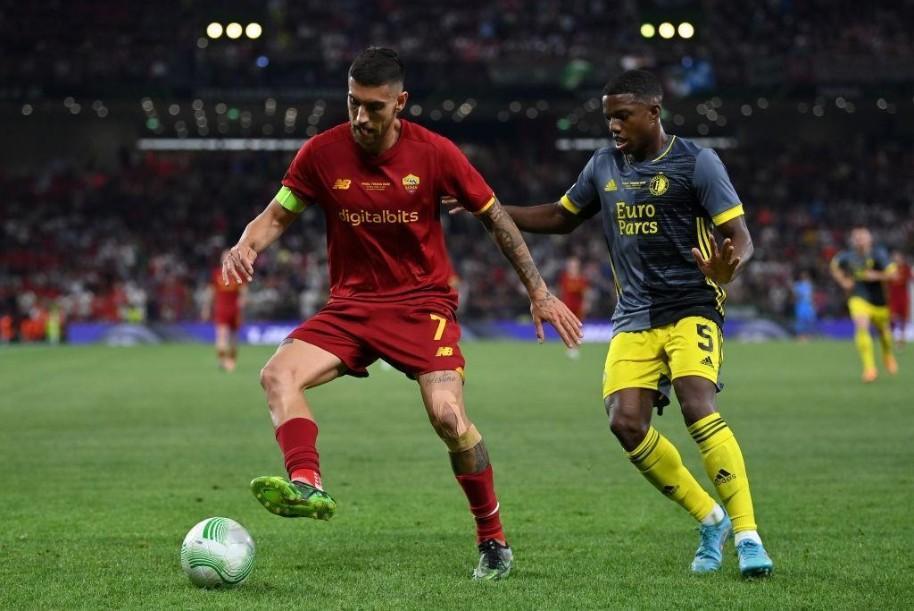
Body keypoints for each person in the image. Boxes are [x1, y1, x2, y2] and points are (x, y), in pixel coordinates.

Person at [222, 47, 582, 581]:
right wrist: (247, 244)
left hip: (422, 306)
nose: (361, 118)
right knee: (277, 374)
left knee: (448, 418)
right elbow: (278, 214)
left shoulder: (436, 154)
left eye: (373, 107)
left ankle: (493, 541)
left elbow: (497, 220)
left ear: (401, 103)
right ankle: (307, 483)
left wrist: (539, 291)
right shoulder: (321, 154)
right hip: (350, 308)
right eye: (352, 104)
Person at [479, 70, 773, 577]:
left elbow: (739, 235)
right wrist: (491, 210)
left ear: (653, 113)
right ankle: (711, 518)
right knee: (625, 423)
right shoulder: (603, 166)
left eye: (623, 116)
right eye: (608, 116)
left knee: (697, 405)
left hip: (692, 305)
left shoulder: (696, 162)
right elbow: (561, 216)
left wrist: (732, 265)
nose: (613, 126)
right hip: (634, 315)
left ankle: (748, 536)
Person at [829, 228, 898, 381]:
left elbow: (895, 275)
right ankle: (869, 369)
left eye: (862, 237)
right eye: (856, 237)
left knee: (884, 335)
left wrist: (877, 275)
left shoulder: (879, 255)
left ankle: (887, 354)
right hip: (858, 298)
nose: (859, 239)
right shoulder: (847, 256)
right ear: (852, 240)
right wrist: (843, 281)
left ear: (870, 239)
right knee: (861, 326)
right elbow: (834, 267)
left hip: (879, 301)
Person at [203, 250, 247, 372]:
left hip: (230, 309)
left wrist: (242, 309)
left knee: (228, 338)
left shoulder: (233, 273)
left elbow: (243, 295)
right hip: (224, 309)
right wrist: (206, 308)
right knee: (226, 337)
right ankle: (227, 362)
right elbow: (211, 292)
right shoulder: (220, 274)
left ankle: (227, 361)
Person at [558, 256, 591, 358]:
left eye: (574, 265)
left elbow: (585, 293)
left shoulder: (581, 279)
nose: (572, 267)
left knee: (577, 328)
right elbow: (561, 292)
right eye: (571, 265)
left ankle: (576, 348)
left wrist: (586, 303)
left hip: (578, 307)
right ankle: (569, 347)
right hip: (567, 307)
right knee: (567, 327)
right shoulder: (564, 278)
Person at [887, 250, 911, 346]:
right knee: (892, 317)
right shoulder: (890, 269)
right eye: (895, 257)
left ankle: (902, 337)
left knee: (903, 319)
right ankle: (893, 336)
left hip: (903, 297)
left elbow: (911, 278)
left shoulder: (906, 268)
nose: (896, 259)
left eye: (898, 257)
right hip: (892, 297)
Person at [792, 270, 817, 341]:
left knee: (809, 321)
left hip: (808, 306)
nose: (804, 277)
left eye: (805, 275)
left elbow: (812, 296)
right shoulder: (797, 285)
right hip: (801, 305)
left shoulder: (810, 285)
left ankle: (809, 336)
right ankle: (800, 336)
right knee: (800, 321)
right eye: (803, 275)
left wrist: (813, 305)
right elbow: (795, 296)